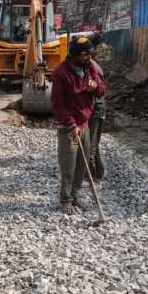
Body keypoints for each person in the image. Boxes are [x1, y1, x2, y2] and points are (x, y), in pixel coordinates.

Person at [51, 36, 105, 214]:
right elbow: (58, 105)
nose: (89, 57)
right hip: (69, 128)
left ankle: (74, 196)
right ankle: (65, 200)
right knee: (69, 166)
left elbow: (102, 90)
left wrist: (95, 87)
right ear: (75, 54)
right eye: (85, 54)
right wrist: (71, 125)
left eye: (90, 53)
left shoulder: (89, 68)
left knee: (82, 167)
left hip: (84, 125)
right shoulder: (61, 73)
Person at [88, 34, 106, 181]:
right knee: (93, 143)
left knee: (91, 147)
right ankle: (99, 173)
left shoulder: (92, 67)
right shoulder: (91, 64)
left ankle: (91, 177)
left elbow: (98, 91)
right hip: (94, 109)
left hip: (95, 110)